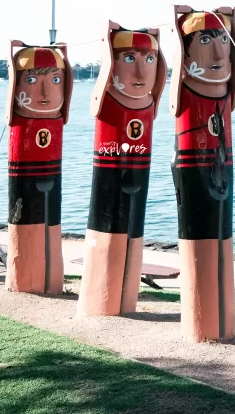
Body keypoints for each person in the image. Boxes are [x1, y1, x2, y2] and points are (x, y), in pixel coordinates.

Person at [78, 24, 166, 316]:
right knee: (109, 238)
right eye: (129, 59)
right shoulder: (107, 101)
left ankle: (126, 301)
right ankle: (100, 303)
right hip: (110, 183)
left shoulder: (149, 103)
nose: (141, 73)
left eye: (149, 59)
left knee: (133, 238)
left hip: (138, 180)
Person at [169, 6, 235, 342]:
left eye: (224, 40)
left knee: (222, 241)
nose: (217, 52)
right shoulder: (183, 91)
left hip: (222, 167)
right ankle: (203, 325)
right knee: (201, 239)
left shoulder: (227, 94)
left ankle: (223, 322)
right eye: (205, 39)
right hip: (192, 168)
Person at [5, 41, 73, 294]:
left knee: (51, 225)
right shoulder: (19, 122)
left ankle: (52, 280)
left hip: (51, 177)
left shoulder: (57, 118)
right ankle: (26, 280)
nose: (45, 93)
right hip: (25, 181)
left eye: (56, 81)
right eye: (32, 80)